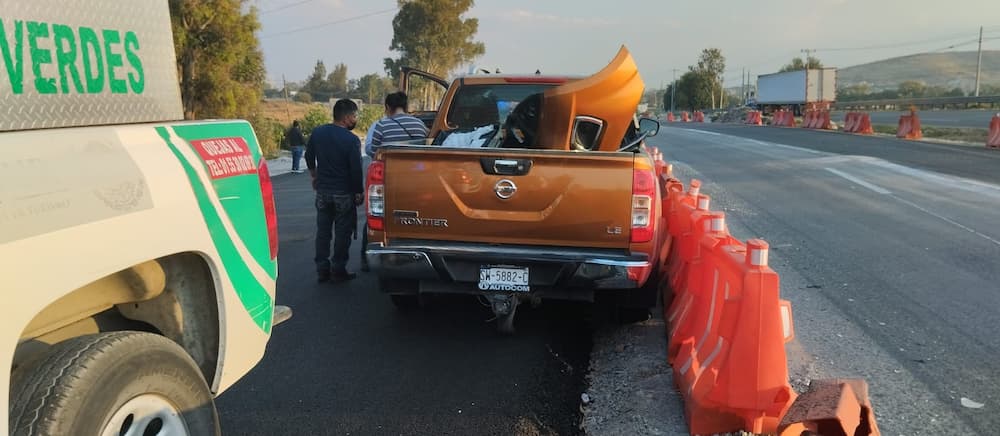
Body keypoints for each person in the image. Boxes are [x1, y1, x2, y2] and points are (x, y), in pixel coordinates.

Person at [358, 92, 428, 272]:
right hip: (419, 180)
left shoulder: (382, 125)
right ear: (406, 107)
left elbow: (373, 151)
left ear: (388, 108)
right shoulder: (420, 125)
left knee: (381, 217)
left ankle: (369, 258)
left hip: (390, 180)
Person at [305, 99, 364, 283]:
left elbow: (309, 156)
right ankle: (338, 268)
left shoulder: (318, 132)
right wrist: (358, 192)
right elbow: (355, 169)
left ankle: (322, 269)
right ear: (346, 118)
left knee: (323, 232)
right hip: (343, 194)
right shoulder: (351, 140)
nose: (355, 119)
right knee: (342, 233)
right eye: (354, 116)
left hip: (323, 192)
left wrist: (314, 176)